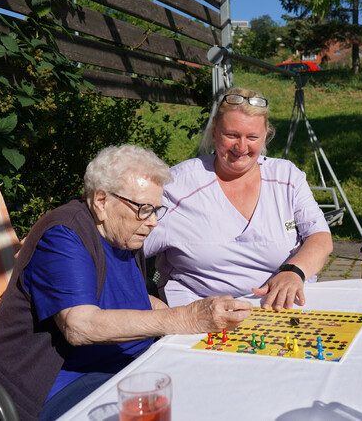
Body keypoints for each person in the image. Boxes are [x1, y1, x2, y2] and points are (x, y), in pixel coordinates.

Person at [0, 145, 252, 420]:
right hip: (56, 386)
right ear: (101, 201)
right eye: (144, 209)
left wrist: (182, 312)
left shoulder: (123, 231)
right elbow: (80, 325)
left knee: (220, 389)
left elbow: (124, 293)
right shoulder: (64, 236)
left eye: (156, 211)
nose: (152, 222)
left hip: (124, 366)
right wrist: (183, 318)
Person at [143, 87, 333, 311]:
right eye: (232, 135)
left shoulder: (287, 177)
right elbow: (123, 245)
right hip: (202, 319)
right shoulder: (177, 185)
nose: (241, 147)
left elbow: (320, 238)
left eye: (252, 137)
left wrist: (294, 272)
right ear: (214, 132)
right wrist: (147, 303)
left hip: (283, 311)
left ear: (265, 136)